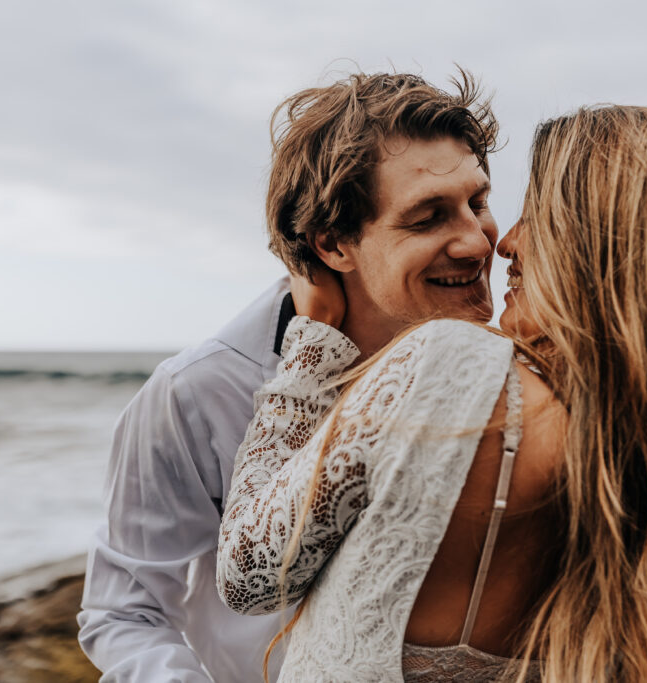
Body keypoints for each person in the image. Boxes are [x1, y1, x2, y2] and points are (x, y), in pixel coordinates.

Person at [216, 106, 647, 682]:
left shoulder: (447, 364)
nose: (501, 243)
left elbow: (248, 578)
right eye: (430, 216)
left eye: (534, 214)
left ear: (604, 244)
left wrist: (313, 346)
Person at [77, 69, 500, 681]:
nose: (478, 242)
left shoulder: (498, 359)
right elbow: (124, 612)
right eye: (429, 217)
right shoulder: (197, 392)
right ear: (333, 245)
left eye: (478, 202)